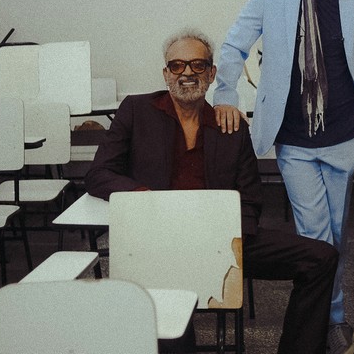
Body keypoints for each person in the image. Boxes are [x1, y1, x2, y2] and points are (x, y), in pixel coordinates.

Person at [213, 0, 354, 353]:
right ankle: (330, 322)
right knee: (314, 235)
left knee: (336, 233)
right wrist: (226, 94)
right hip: (293, 136)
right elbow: (235, 44)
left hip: (343, 133)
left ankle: (329, 315)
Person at [85, 29, 338, 354]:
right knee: (173, 325)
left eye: (198, 65)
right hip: (158, 243)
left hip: (221, 241)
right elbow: (99, 174)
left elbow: (250, 199)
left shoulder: (229, 125)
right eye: (177, 65)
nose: (187, 73)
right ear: (166, 73)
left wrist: (227, 242)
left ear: (211, 73)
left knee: (321, 257)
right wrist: (142, 195)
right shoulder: (136, 111)